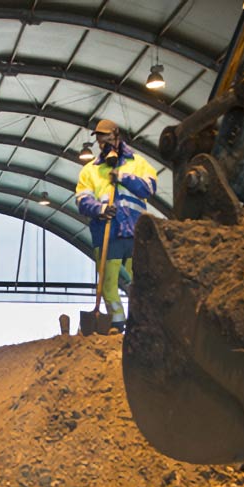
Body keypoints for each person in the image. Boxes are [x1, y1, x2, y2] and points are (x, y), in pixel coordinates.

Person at [75, 119, 158, 333]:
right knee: (107, 285)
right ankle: (117, 323)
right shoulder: (90, 171)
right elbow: (82, 200)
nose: (104, 145)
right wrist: (100, 210)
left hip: (134, 233)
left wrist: (122, 177)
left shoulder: (138, 163)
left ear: (117, 137)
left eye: (108, 140)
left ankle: (140, 322)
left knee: (139, 281)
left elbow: (149, 188)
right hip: (106, 233)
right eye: (101, 142)